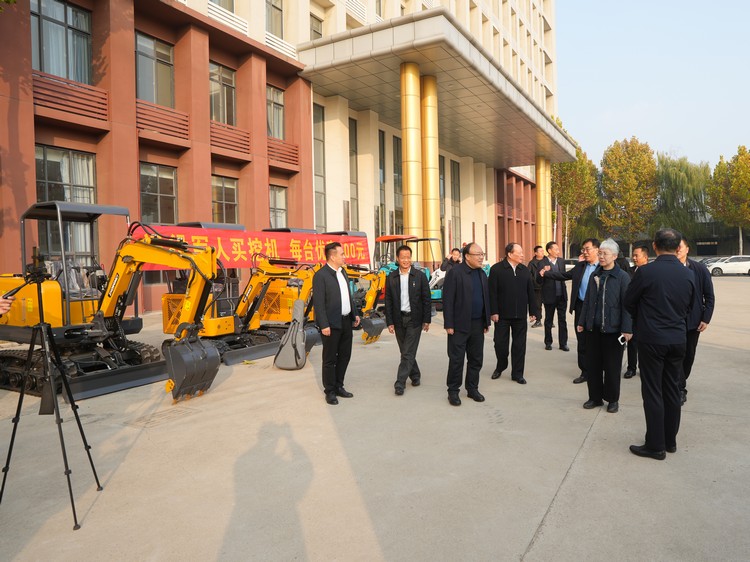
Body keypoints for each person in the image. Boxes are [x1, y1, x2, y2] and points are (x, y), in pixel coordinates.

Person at [624, 228, 695, 460]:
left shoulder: (646, 272)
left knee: (653, 391)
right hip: (677, 338)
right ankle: (669, 440)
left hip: (652, 339)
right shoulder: (688, 274)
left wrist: (643, 318)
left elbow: (629, 301)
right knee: (672, 389)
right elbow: (690, 306)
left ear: (655, 246)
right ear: (678, 247)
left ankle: (655, 445)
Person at [577, 238, 632, 413]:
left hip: (614, 331)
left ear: (614, 256)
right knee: (593, 365)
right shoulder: (595, 275)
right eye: (599, 253)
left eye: (604, 253)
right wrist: (582, 322)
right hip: (593, 329)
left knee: (612, 367)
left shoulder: (622, 277)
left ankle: (613, 399)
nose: (601, 256)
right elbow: (587, 301)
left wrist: (627, 328)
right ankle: (595, 397)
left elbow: (628, 305)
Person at [539, 238, 600, 384]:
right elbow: (563, 275)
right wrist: (546, 274)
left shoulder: (603, 267)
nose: (584, 252)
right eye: (583, 250)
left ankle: (598, 371)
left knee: (597, 341)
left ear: (597, 250)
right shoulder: (580, 267)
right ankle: (584, 372)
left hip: (597, 309)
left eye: (587, 249)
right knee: (582, 341)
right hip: (580, 307)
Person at [312, 242, 361, 405]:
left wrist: (355, 314)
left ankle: (339, 386)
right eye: (342, 254)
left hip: (346, 321)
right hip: (331, 325)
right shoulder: (321, 276)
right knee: (330, 359)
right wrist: (323, 324)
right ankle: (330, 391)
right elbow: (318, 303)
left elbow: (348, 296)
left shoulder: (343, 272)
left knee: (345, 356)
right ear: (332, 256)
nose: (344, 256)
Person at [442, 242, 491, 406]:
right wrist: (449, 323)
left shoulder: (482, 274)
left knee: (476, 358)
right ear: (467, 256)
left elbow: (485, 298)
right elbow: (448, 299)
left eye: (482, 253)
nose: (481, 257)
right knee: (456, 359)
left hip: (477, 324)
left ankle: (472, 388)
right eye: (478, 254)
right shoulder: (455, 272)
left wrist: (486, 320)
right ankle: (453, 391)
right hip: (458, 325)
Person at [384, 245, 431, 396]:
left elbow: (426, 299)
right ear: (397, 259)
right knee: (406, 351)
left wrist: (427, 319)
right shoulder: (391, 277)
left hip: (414, 319)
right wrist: (389, 322)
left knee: (407, 353)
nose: (406, 260)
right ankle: (415, 375)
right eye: (402, 257)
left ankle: (400, 382)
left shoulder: (419, 276)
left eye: (408, 257)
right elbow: (388, 301)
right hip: (398, 319)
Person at [488, 243, 538, 384]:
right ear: (510, 254)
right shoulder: (496, 269)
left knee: (519, 345)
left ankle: (517, 374)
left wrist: (533, 311)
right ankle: (501, 365)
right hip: (502, 316)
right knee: (500, 345)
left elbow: (530, 292)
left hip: (520, 315)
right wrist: (494, 311)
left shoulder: (524, 270)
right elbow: (492, 293)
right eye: (520, 253)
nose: (523, 255)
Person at [676, 236, 715, 405]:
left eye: (680, 247)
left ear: (687, 249)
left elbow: (709, 296)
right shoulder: (667, 269)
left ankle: (680, 383)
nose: (677, 250)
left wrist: (706, 318)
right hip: (671, 323)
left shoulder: (699, 269)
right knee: (674, 356)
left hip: (692, 323)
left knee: (688, 355)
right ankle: (678, 388)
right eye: (675, 247)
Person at [624, 242, 650, 379]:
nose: (634, 258)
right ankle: (631, 368)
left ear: (645, 257)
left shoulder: (652, 272)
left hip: (647, 315)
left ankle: (644, 368)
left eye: (636, 255)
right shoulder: (629, 272)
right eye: (633, 255)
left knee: (646, 344)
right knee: (632, 342)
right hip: (632, 314)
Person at [537, 241, 569, 352]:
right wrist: (542, 273)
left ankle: (563, 343)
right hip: (549, 296)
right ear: (549, 250)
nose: (558, 251)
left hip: (561, 296)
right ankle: (548, 342)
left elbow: (564, 276)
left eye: (558, 249)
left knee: (562, 320)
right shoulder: (542, 263)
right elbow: (538, 280)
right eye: (556, 249)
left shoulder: (561, 261)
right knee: (548, 320)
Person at [527, 245, 545, 328]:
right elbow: (529, 275)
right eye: (540, 251)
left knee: (549, 304)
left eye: (543, 251)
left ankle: (550, 320)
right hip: (536, 287)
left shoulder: (547, 261)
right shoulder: (531, 263)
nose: (542, 252)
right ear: (536, 253)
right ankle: (538, 320)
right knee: (538, 304)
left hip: (546, 286)